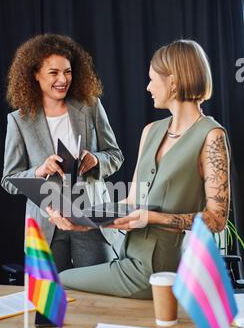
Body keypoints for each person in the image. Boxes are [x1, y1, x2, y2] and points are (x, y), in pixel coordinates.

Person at [48, 39, 230, 299]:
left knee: (60, 280)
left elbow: (216, 220)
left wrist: (152, 218)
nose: (148, 87)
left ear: (174, 82)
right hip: (128, 256)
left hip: (158, 271)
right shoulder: (151, 131)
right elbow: (132, 201)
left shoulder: (211, 136)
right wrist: (82, 221)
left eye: (152, 79)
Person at [1, 34, 124, 274]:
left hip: (92, 221)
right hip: (46, 226)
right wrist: (40, 170)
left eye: (67, 72)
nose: (62, 79)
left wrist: (96, 160)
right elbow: (9, 180)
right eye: (53, 73)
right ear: (35, 74)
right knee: (49, 306)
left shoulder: (90, 106)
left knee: (97, 301)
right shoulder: (18, 120)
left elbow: (116, 155)